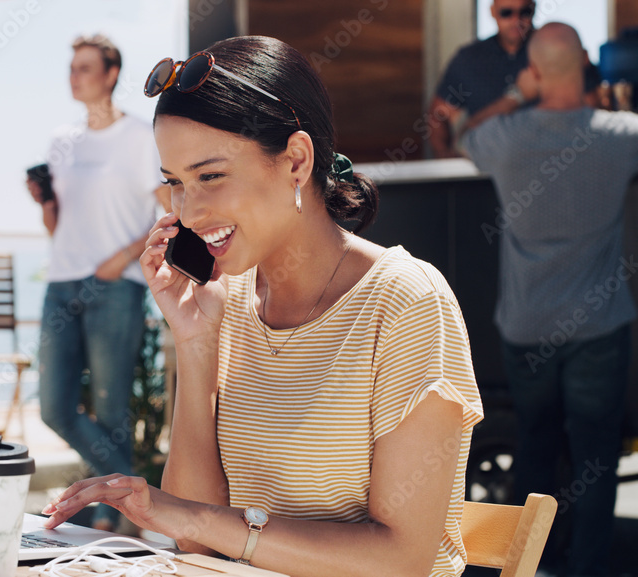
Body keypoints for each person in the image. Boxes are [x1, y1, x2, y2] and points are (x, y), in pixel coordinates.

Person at [42, 36, 484, 577]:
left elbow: (402, 559)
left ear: (296, 161)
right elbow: (196, 550)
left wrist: (194, 520)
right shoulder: (224, 299)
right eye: (175, 184)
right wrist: (195, 341)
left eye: (209, 176)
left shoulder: (407, 304)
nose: (190, 211)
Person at [460, 23, 638, 577]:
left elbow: (464, 132)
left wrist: (519, 95)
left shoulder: (506, 137)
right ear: (585, 61)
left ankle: (534, 561)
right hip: (599, 325)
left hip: (527, 323)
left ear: (533, 71)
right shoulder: (621, 133)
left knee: (536, 445)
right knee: (596, 451)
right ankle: (586, 565)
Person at [27, 34, 169, 532]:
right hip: (62, 282)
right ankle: (133, 489)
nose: (75, 76)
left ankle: (110, 518)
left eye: (85, 67)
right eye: (72, 68)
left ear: (111, 74)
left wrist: (124, 258)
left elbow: (171, 209)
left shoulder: (138, 136)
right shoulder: (62, 140)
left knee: (110, 412)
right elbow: (58, 227)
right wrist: (45, 203)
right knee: (53, 408)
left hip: (116, 285)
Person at [428, 0, 537, 158]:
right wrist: (447, 160)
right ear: (493, 12)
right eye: (506, 12)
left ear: (534, 9)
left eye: (525, 12)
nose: (516, 20)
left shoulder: (552, 52)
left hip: (542, 163)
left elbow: (583, 106)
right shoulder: (470, 59)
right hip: (486, 168)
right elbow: (439, 115)